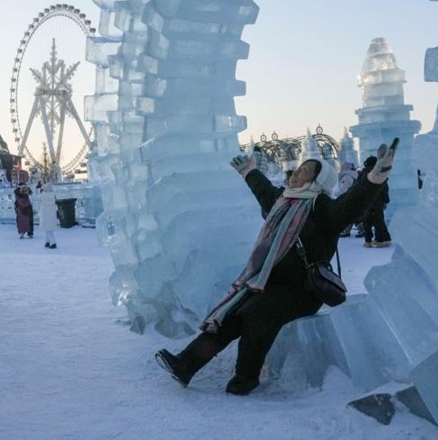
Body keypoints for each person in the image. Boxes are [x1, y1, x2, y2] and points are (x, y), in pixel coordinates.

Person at [155, 142, 396, 396]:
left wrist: (377, 173)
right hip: (266, 282)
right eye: (298, 169)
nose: (296, 173)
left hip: (303, 290)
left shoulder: (323, 207)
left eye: (305, 171)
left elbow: (354, 203)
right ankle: (185, 365)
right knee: (230, 317)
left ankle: (246, 378)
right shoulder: (282, 202)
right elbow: (263, 190)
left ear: (318, 179)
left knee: (256, 317)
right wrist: (249, 171)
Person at [358, 155, 391, 248]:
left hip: (365, 202)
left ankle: (368, 241)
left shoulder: (362, 174)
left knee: (367, 221)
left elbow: (357, 189)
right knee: (379, 221)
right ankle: (381, 240)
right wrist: (386, 200)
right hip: (377, 201)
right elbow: (384, 188)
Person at [336, 162, 359, 238]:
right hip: (354, 197)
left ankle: (346, 230)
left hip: (347, 199)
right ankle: (361, 228)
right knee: (354, 214)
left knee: (347, 216)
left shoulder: (346, 177)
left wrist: (337, 194)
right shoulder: (354, 175)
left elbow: (344, 189)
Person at [39, 181, 59, 249]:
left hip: (45, 213)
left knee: (47, 229)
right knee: (49, 228)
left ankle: (53, 242)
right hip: (52, 213)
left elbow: (38, 197)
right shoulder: (53, 195)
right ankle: (47, 241)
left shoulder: (43, 195)